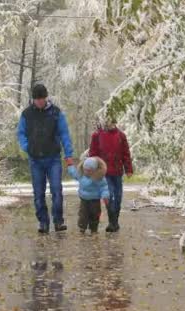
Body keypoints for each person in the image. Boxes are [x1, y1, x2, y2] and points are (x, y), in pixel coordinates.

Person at [17, 84, 74, 233]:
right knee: (38, 192)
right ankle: (43, 222)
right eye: (37, 99)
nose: (40, 101)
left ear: (46, 97)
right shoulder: (26, 114)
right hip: (35, 159)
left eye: (42, 98)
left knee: (56, 189)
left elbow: (64, 134)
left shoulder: (56, 113)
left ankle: (58, 221)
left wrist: (68, 155)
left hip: (53, 158)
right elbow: (21, 133)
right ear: (33, 99)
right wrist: (26, 147)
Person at [88, 118, 133, 232]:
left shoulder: (121, 136)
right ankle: (112, 222)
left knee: (118, 197)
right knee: (109, 196)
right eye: (107, 121)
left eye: (112, 122)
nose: (110, 124)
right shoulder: (97, 135)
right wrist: (93, 169)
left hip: (117, 172)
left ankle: (115, 222)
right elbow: (93, 153)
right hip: (104, 173)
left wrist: (128, 169)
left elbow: (126, 154)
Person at [67, 157, 110, 233]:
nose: (86, 172)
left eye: (89, 171)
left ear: (94, 170)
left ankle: (94, 228)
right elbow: (73, 173)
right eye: (85, 170)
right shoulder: (81, 174)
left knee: (95, 214)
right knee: (83, 213)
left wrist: (105, 196)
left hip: (95, 199)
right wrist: (70, 165)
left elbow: (104, 187)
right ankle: (82, 226)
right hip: (84, 199)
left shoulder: (98, 177)